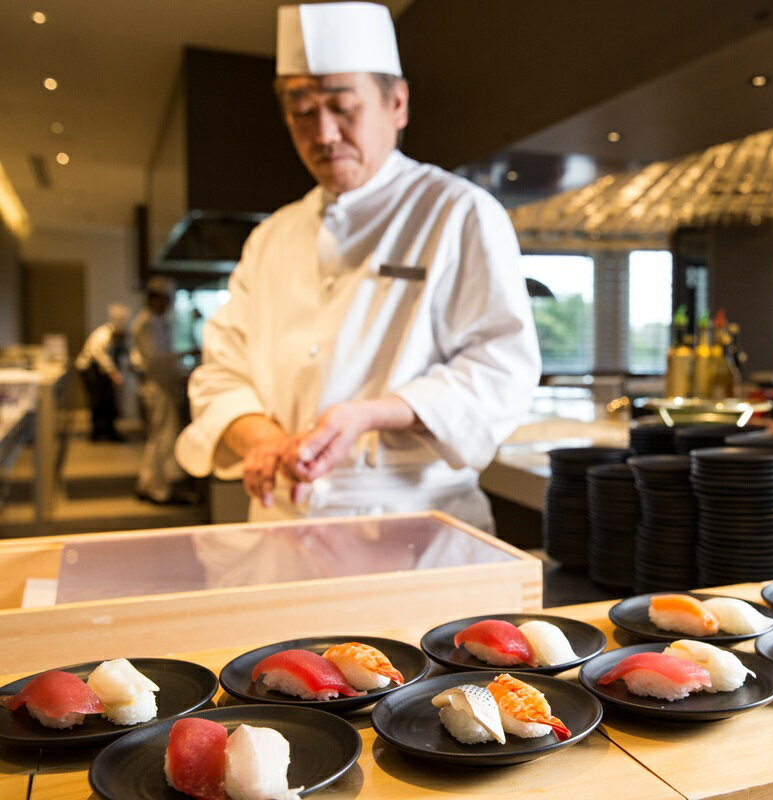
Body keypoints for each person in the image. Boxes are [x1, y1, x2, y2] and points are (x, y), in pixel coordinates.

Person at [174, 2, 540, 530]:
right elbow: (219, 372)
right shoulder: (272, 236)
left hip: (417, 524)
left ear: (397, 104)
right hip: (282, 521)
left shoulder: (458, 212)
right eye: (302, 112)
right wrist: (263, 438)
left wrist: (369, 414)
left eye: (343, 108)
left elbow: (500, 367)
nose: (323, 134)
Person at [132, 276, 187, 504]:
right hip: (157, 387)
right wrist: (184, 355)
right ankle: (161, 491)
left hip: (162, 385)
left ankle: (148, 483)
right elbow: (155, 359)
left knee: (156, 438)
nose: (168, 305)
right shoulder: (146, 323)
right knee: (164, 438)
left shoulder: (156, 322)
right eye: (165, 300)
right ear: (155, 299)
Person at [75, 303, 130, 442]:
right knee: (97, 401)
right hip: (90, 370)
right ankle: (97, 432)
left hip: (101, 372)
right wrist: (113, 373)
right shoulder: (103, 334)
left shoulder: (117, 338)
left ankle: (108, 430)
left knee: (108, 400)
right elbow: (98, 354)